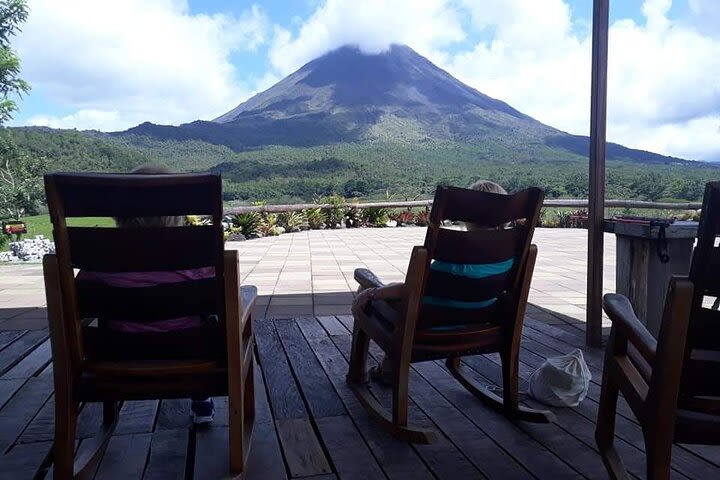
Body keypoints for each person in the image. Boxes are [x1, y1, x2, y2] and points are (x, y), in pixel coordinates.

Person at [75, 164, 216, 424]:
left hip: (119, 349)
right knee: (207, 318)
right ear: (177, 213)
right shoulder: (195, 254)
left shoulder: (100, 256)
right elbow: (215, 296)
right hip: (188, 348)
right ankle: (201, 395)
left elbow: (80, 296)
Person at [352, 180, 508, 384]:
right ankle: (389, 368)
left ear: (467, 215)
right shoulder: (509, 258)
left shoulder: (453, 260)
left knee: (371, 289)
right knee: (401, 295)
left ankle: (362, 373)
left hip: (429, 328)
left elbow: (412, 290)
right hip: (479, 324)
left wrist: (370, 293)